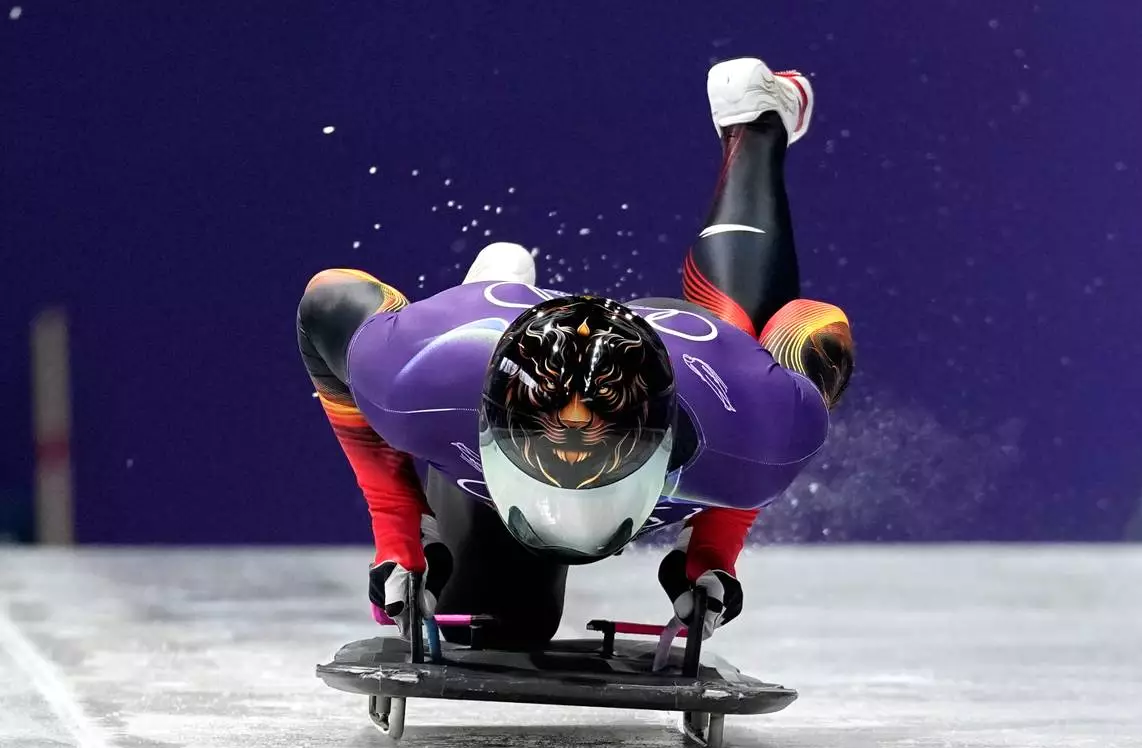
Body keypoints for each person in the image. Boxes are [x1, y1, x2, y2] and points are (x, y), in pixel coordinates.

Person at [296, 57, 854, 650]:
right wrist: (399, 531)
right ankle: (489, 287)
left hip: (686, 353)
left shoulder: (750, 428)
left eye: (596, 475)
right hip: (479, 335)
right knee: (501, 631)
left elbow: (809, 329)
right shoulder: (418, 377)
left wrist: (712, 548)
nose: (569, 494)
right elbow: (323, 303)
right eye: (553, 467)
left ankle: (757, 121)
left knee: (742, 336)